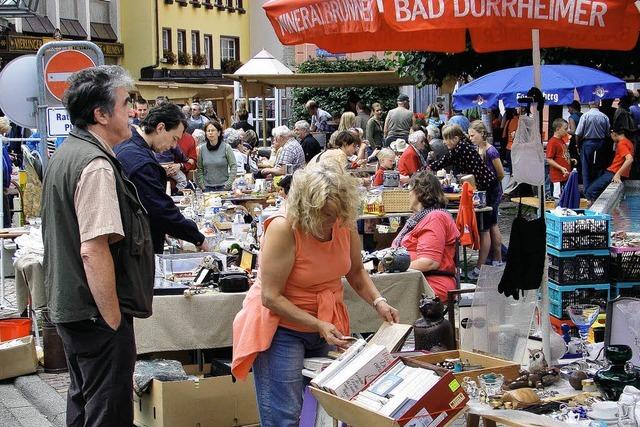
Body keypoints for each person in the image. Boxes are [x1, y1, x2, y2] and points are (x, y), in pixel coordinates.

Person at [231, 164, 399, 426]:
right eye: (326, 215)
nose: (333, 222)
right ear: (306, 209)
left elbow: (356, 271)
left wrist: (379, 301)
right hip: (281, 327)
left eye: (337, 215)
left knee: (327, 409)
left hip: (325, 321)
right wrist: (317, 324)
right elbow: (270, 297)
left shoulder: (344, 222)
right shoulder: (283, 228)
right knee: (284, 415)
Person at [41, 65, 155, 426]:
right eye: (126, 104)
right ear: (100, 114)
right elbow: (93, 249)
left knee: (84, 404)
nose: (133, 111)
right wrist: (111, 320)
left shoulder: (70, 152)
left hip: (74, 306)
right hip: (94, 312)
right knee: (107, 412)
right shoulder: (95, 164)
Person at [115, 103, 207, 253]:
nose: (173, 146)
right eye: (174, 138)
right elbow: (160, 209)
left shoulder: (132, 144)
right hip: (133, 248)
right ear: (160, 128)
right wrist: (197, 238)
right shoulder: (139, 160)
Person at [429, 124, 501, 279]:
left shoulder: (461, 148)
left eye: (447, 139)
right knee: (488, 226)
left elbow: (444, 161)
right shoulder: (463, 147)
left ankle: (482, 268)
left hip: (487, 189)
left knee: (486, 227)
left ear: (455, 138)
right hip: (483, 188)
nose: (444, 142)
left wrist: (426, 168)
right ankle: (495, 260)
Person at [385, 171, 460, 300]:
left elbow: (430, 262)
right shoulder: (420, 218)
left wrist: (391, 267)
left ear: (419, 193)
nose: (407, 195)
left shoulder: (435, 218)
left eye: (409, 190)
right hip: (413, 280)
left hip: (429, 284)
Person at [468, 120, 504, 268]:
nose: (471, 138)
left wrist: (490, 183)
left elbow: (500, 173)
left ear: (482, 134)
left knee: (491, 224)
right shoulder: (477, 149)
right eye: (469, 136)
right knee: (488, 224)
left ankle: (497, 258)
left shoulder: (491, 151)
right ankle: (494, 258)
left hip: (493, 191)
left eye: (472, 135)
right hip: (483, 192)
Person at [585, 125, 634, 201]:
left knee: (589, 192)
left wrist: (618, 174)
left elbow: (629, 159)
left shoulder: (621, 144)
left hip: (614, 172)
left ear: (614, 134)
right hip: (617, 172)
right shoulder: (629, 142)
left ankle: (593, 211)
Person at [575, 101, 610, 191]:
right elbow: (607, 133)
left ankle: (587, 190)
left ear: (590, 104)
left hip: (587, 143)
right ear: (599, 104)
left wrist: (577, 145)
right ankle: (597, 189)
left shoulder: (585, 116)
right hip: (601, 144)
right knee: (600, 167)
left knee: (585, 168)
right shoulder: (604, 116)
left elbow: (578, 133)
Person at [196, 120, 236, 191]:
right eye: (208, 131)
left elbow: (233, 166)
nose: (210, 133)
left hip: (223, 187)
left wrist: (228, 184)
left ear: (219, 133)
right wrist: (202, 185)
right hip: (207, 188)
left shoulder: (226, 147)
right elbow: (200, 169)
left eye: (213, 130)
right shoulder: (202, 149)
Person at [546, 118, 576, 197]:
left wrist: (570, 160)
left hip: (564, 176)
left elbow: (561, 155)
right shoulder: (552, 142)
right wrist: (561, 168)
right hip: (557, 178)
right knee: (557, 198)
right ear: (558, 129)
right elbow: (549, 159)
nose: (567, 131)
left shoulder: (561, 140)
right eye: (565, 129)